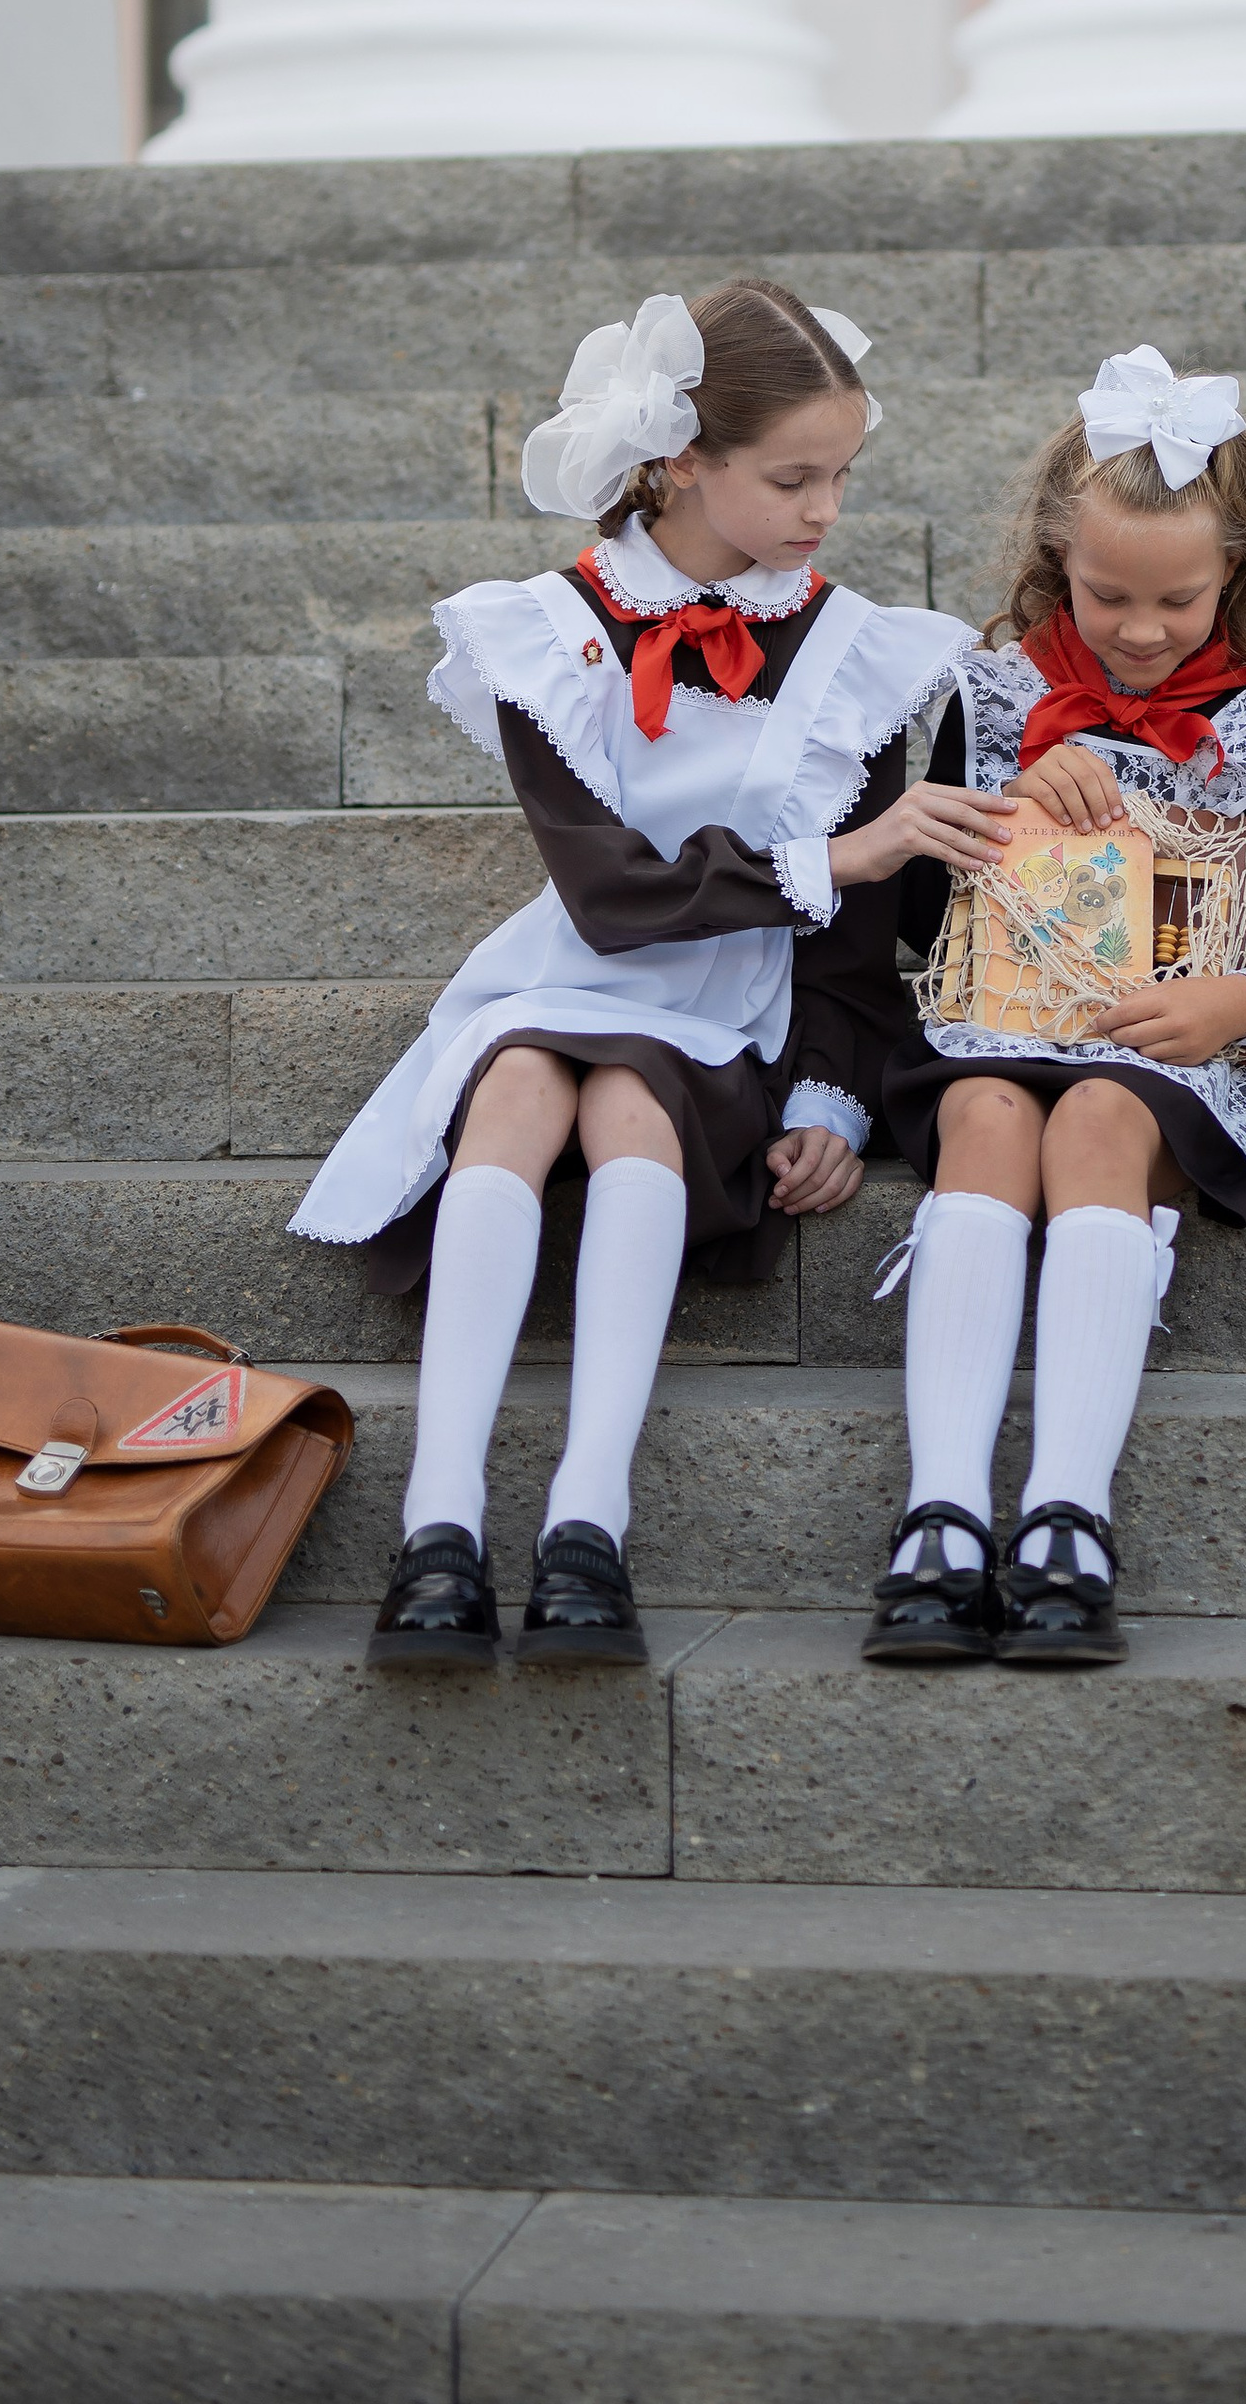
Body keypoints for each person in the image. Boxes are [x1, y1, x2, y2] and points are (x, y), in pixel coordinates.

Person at [290, 280, 992, 1666]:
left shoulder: (861, 651)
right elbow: (607, 899)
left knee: (622, 1104)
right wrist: (840, 859)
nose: (825, 511)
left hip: (730, 1011)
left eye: (844, 475)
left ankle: (586, 1522)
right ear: (681, 461)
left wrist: (834, 1101)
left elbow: (856, 956)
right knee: (518, 1085)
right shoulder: (546, 630)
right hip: (579, 969)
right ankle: (439, 1525)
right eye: (793, 477)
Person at [865, 346, 1246, 1669]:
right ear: (1053, 567)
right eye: (1106, 597)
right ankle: (942, 1516)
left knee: (1094, 1123)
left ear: (1237, 580)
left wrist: (1236, 1004)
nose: (1141, 631)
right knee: (980, 1112)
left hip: (1158, 1056)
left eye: (1177, 601)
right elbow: (912, 923)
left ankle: (1066, 1518)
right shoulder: (992, 699)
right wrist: (994, 808)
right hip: (988, 1025)